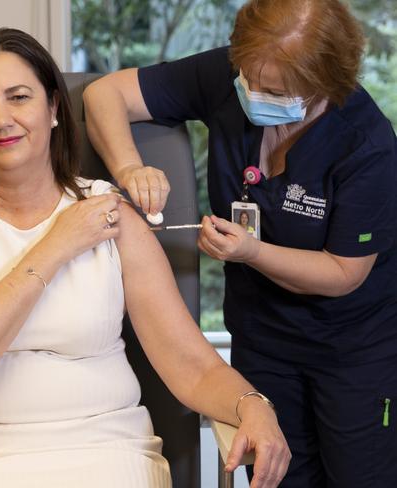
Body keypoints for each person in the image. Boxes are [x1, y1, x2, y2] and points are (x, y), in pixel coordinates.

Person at [0, 27, 289, 488]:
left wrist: (254, 405)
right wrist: (58, 242)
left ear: (54, 110)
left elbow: (191, 363)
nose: (1, 119)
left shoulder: (110, 213)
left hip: (108, 453)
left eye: (19, 97)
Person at [83, 0, 397, 486]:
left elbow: (344, 273)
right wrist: (129, 168)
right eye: (248, 78)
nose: (253, 95)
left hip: (355, 349)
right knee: (277, 474)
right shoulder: (230, 75)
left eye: (274, 91)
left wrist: (252, 252)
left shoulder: (367, 145)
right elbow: (105, 94)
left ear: (325, 85)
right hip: (262, 340)